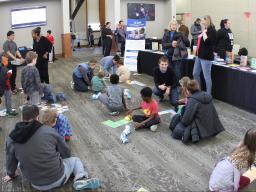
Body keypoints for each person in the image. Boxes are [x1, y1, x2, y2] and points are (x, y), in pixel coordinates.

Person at [3, 105, 101, 191]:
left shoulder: (11, 138)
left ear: (22, 118)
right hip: (58, 178)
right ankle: (80, 178)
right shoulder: (48, 130)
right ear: (37, 117)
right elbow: (66, 153)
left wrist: (10, 174)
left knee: (21, 161)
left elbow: (10, 160)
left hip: (36, 184)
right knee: (75, 160)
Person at [193, 15, 217, 95]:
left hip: (206, 57)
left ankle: (208, 95)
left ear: (207, 20)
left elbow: (209, 42)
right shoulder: (205, 29)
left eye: (203, 19)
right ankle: (198, 92)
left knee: (207, 76)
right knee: (195, 73)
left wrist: (204, 34)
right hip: (199, 56)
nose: (201, 21)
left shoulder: (212, 30)